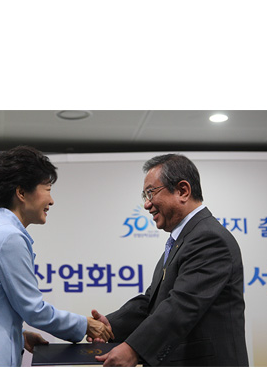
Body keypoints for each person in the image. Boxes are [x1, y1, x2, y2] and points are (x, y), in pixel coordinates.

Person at [0, 146, 113, 367]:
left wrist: (19, 335)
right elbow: (35, 311)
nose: (52, 200)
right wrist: (85, 325)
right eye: (47, 189)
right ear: (21, 193)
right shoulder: (9, 237)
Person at [90, 154, 249, 367]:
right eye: (144, 195)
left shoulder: (209, 238)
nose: (146, 204)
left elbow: (182, 306)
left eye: (151, 193)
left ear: (183, 191)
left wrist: (133, 349)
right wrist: (111, 325)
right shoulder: (183, 239)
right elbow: (152, 301)